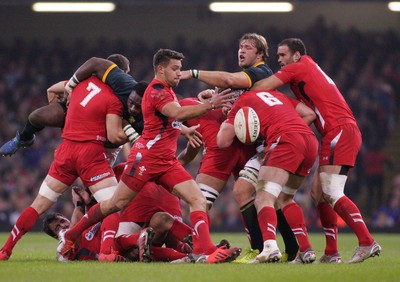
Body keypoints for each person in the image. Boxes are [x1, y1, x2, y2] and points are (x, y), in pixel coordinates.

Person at [58, 48, 241, 264]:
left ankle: (206, 250)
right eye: (174, 69)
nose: (178, 73)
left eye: (180, 69)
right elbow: (176, 112)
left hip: (167, 162)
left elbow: (171, 119)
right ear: (161, 69)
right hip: (145, 160)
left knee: (198, 199)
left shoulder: (168, 90)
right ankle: (70, 236)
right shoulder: (156, 90)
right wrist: (210, 104)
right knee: (114, 204)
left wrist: (184, 129)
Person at [252, 37, 382, 263]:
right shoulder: (308, 68)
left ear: (296, 55)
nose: (280, 60)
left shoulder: (298, 67)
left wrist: (240, 88)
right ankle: (331, 252)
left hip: (338, 130)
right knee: (318, 194)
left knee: (332, 191)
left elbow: (261, 87)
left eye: (283, 55)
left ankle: (367, 242)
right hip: (338, 131)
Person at [180, 33, 299, 262]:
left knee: (253, 195)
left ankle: (261, 248)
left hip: (261, 146)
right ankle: (288, 248)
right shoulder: (254, 80)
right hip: (253, 146)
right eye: (240, 47)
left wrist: (194, 74)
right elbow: (239, 100)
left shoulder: (261, 72)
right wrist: (215, 99)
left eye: (247, 47)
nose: (241, 51)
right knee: (261, 197)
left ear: (261, 54)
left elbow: (230, 80)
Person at [0, 69, 128, 261]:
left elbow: (52, 89)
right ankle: (107, 252)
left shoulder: (79, 84)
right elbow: (113, 135)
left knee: (38, 205)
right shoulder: (115, 95)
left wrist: (64, 112)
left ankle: (6, 250)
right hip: (91, 153)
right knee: (111, 205)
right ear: (121, 74)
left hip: (66, 150)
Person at [217, 88, 319, 263]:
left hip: (283, 141)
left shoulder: (242, 103)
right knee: (285, 198)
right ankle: (306, 250)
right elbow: (310, 114)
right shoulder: (275, 95)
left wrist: (229, 118)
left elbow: (222, 141)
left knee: (263, 196)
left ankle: (270, 248)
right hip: (308, 141)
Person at [0, 54, 131, 157]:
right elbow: (51, 90)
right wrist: (64, 122)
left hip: (99, 134)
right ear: (122, 72)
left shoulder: (124, 95)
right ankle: (24, 138)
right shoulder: (88, 80)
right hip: (78, 119)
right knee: (36, 117)